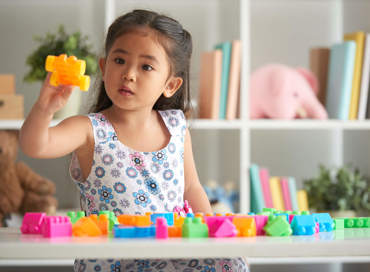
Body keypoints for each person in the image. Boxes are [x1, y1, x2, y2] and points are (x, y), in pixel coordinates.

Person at [20, 9, 248, 272]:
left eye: (146, 66)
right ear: (104, 68)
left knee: (231, 262)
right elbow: (34, 145)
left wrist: (212, 233)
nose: (129, 73)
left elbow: (191, 187)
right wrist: (45, 107)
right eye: (119, 60)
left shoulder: (176, 126)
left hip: (172, 251)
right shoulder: (89, 130)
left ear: (170, 85)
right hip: (113, 256)